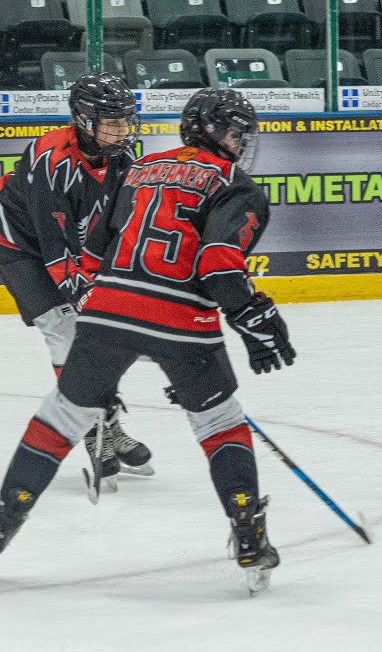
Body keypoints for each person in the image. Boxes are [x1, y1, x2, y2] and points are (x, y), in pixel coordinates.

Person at [0, 88, 296, 593]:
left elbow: (94, 251)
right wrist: (250, 317)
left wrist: (109, 312)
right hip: (180, 322)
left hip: (108, 310)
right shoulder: (236, 186)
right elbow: (218, 266)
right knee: (221, 423)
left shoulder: (140, 167)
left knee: (58, 419)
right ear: (207, 131)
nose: (241, 142)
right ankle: (249, 535)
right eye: (233, 131)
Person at [0, 73, 152, 485]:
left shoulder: (121, 156)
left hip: (66, 243)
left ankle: (108, 422)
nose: (122, 127)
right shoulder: (51, 158)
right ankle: (90, 429)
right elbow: (55, 248)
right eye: (111, 119)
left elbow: (120, 225)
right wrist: (87, 293)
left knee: (103, 333)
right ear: (83, 119)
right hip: (18, 247)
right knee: (66, 330)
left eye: (125, 118)